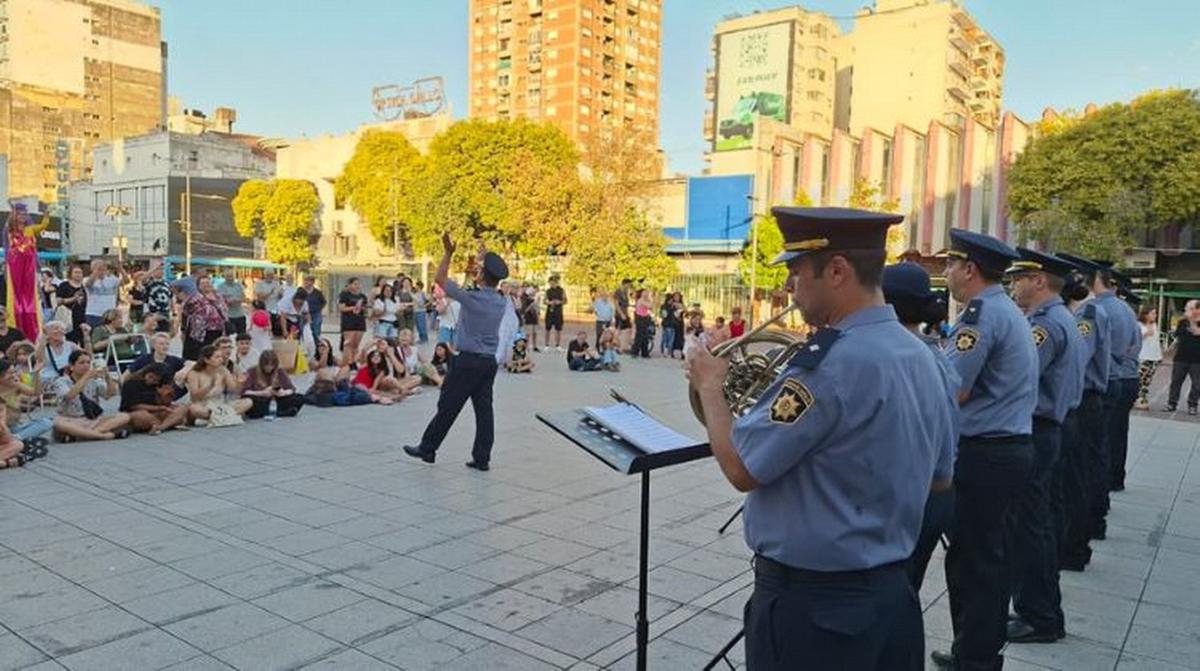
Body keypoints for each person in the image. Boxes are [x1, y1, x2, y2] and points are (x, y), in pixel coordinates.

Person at [688, 207, 955, 671]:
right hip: (892, 599)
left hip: (816, 611)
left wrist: (712, 385)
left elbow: (742, 468)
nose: (791, 287)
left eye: (796, 272)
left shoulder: (827, 365)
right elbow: (940, 480)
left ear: (836, 271)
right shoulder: (924, 356)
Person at [932, 229, 1037, 671]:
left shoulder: (980, 317)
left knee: (974, 561)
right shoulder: (1003, 310)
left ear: (970, 269)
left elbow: (951, 389)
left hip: (985, 453)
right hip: (1004, 449)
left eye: (951, 265)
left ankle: (974, 658)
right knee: (986, 556)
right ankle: (976, 652)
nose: (947, 273)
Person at [1004, 249, 1083, 645]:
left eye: (1020, 277)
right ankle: (1043, 610)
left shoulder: (1044, 327)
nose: (1014, 284)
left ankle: (1037, 615)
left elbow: (1015, 377)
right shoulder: (1056, 319)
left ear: (1038, 281)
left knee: (1030, 528)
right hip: (1050, 429)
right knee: (1040, 524)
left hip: (1038, 429)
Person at [881, 262, 958, 594]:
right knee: (905, 590)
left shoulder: (895, 359)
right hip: (935, 493)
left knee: (894, 592)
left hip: (910, 498)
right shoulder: (934, 354)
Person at [403, 234, 509, 472]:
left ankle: (427, 448)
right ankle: (482, 458)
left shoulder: (473, 299)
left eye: (479, 271)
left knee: (448, 405)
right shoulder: (501, 301)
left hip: (468, 362)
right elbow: (484, 282)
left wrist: (449, 253)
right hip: (487, 363)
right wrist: (482, 262)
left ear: (482, 276)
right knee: (484, 412)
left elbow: (440, 279)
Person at [1056, 259, 1110, 571]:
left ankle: (1075, 546)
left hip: (1086, 402)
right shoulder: (1080, 313)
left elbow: (1079, 355)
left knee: (1077, 478)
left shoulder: (1087, 314)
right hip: (1083, 401)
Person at [51, 350, 131, 442]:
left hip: (93, 420)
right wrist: (86, 377)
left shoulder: (94, 380)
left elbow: (110, 394)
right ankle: (101, 436)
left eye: (88, 362)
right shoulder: (62, 381)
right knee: (58, 423)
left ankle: (90, 434)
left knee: (124, 416)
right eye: (82, 363)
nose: (86, 365)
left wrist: (108, 376)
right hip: (72, 419)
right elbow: (70, 396)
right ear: (72, 366)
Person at [4, 203, 49, 339]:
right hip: (15, 264)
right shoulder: (10, 230)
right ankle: (16, 321)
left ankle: (32, 326)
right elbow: (9, 248)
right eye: (19, 214)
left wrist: (46, 213)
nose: (22, 217)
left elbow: (43, 225)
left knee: (29, 296)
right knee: (16, 296)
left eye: (24, 214)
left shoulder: (29, 229)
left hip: (28, 265)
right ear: (14, 215)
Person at [184, 345, 251, 425]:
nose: (221, 359)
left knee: (248, 402)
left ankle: (216, 417)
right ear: (206, 360)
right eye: (217, 357)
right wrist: (209, 386)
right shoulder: (194, 373)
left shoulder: (223, 370)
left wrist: (240, 383)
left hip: (220, 404)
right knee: (194, 409)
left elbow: (235, 390)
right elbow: (194, 397)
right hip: (202, 405)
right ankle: (224, 416)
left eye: (221, 357)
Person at [119, 363, 189, 434]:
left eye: (156, 380)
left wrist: (166, 395)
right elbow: (135, 406)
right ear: (146, 372)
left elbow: (166, 404)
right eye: (150, 377)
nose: (152, 381)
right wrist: (160, 408)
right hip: (137, 412)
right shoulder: (131, 383)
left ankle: (161, 427)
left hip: (156, 412)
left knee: (182, 408)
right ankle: (167, 423)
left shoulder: (157, 385)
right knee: (142, 415)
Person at [0, 358, 53, 450]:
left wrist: (36, 374)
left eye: (14, 372)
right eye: (10, 373)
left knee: (46, 422)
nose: (14, 376)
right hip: (1, 429)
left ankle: (16, 439)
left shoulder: (15, 385)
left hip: (14, 428)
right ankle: (18, 441)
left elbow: (36, 392)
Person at [242, 350, 304, 419]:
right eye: (266, 365)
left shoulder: (280, 371)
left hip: (277, 399)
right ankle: (281, 411)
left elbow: (291, 389)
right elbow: (245, 391)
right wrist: (263, 393)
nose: (269, 367)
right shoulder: (252, 371)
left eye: (272, 365)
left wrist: (283, 392)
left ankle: (279, 411)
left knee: (299, 397)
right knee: (253, 401)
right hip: (260, 398)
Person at [180, 275, 228, 361]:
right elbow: (185, 311)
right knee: (199, 355)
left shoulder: (218, 296)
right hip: (199, 332)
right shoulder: (194, 297)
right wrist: (183, 329)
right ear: (198, 286)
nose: (206, 285)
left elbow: (224, 311)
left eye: (207, 282)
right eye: (203, 283)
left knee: (214, 354)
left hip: (217, 330)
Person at [1164, 299, 1200, 414]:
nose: (1186, 310)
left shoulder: (1192, 321)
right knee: (1175, 382)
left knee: (1197, 384)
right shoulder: (1182, 322)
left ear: (1197, 310)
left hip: (1197, 360)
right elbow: (1179, 337)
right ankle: (1171, 403)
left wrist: (1191, 321)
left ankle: (1192, 405)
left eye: (1189, 308)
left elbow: (1196, 332)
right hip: (1181, 358)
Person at [35, 321, 86, 385]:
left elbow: (87, 356)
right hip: (48, 379)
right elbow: (39, 359)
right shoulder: (43, 347)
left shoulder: (70, 345)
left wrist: (86, 336)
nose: (60, 331)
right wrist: (43, 340)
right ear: (47, 333)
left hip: (68, 378)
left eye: (62, 329)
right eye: (56, 328)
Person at [1134, 305, 1162, 410]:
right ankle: (1138, 399)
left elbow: (1156, 341)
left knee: (1147, 380)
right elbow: (1142, 336)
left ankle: (1142, 399)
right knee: (1140, 378)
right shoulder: (1139, 325)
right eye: (1153, 313)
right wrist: (1148, 328)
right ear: (1146, 314)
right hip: (1143, 356)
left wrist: (1159, 355)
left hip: (1153, 356)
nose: (1155, 315)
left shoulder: (1155, 325)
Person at [83, 260, 122, 328]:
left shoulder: (112, 279)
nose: (102, 271)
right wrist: (96, 272)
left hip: (109, 315)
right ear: (92, 269)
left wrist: (121, 269)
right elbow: (88, 284)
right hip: (93, 314)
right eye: (99, 268)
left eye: (103, 268)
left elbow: (126, 281)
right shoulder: (86, 279)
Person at [338, 278, 368, 366]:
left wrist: (363, 309)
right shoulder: (345, 295)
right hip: (348, 321)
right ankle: (348, 362)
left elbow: (365, 308)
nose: (357, 286)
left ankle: (354, 361)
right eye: (355, 284)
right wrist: (354, 307)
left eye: (359, 284)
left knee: (356, 344)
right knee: (348, 343)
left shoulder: (362, 296)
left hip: (360, 321)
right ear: (350, 285)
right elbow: (342, 308)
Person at [56, 265, 88, 345]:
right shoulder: (64, 285)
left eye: (80, 272)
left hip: (81, 317)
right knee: (69, 340)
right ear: (70, 274)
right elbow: (58, 301)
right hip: (67, 317)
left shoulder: (84, 286)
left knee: (83, 340)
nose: (78, 274)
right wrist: (73, 299)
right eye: (76, 272)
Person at [143, 260, 173, 332]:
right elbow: (143, 279)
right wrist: (155, 267)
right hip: (152, 314)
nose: (161, 271)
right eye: (158, 270)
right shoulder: (150, 282)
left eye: (162, 269)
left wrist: (172, 311)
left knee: (164, 334)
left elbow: (170, 298)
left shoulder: (166, 283)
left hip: (165, 314)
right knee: (152, 335)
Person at [255, 270, 285, 337]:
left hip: (275, 310)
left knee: (275, 328)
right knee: (264, 330)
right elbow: (260, 297)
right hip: (264, 310)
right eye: (268, 275)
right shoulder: (259, 283)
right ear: (264, 275)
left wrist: (281, 294)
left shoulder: (276, 283)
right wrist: (270, 292)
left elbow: (280, 297)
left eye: (271, 275)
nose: (269, 276)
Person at [218, 270, 247, 335]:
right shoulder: (220, 287)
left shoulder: (238, 285)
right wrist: (228, 302)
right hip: (228, 315)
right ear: (225, 277)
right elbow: (219, 300)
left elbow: (244, 297)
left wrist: (240, 300)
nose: (230, 278)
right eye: (228, 276)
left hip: (240, 314)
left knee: (242, 335)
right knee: (231, 336)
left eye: (231, 276)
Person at [543, 274, 567, 350]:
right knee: (547, 329)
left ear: (556, 282)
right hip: (549, 311)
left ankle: (558, 345)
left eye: (554, 282)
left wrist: (559, 302)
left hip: (558, 312)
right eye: (550, 282)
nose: (552, 284)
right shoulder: (548, 291)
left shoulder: (561, 290)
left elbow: (565, 300)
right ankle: (546, 345)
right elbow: (544, 300)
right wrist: (548, 302)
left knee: (558, 329)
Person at [631, 289, 654, 358]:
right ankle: (635, 352)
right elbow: (649, 306)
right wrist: (650, 299)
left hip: (645, 318)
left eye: (647, 293)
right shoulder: (640, 300)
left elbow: (651, 307)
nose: (646, 294)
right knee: (639, 335)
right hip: (639, 318)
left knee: (645, 336)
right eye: (644, 293)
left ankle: (645, 352)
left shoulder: (646, 300)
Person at [613, 278, 633, 352]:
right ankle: (615, 344)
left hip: (625, 313)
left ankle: (624, 346)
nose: (629, 287)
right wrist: (621, 314)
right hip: (619, 314)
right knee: (618, 330)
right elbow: (616, 304)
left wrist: (627, 314)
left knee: (628, 329)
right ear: (624, 284)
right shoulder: (618, 292)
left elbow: (626, 305)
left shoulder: (625, 292)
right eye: (628, 285)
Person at [519, 285, 540, 351]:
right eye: (532, 292)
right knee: (528, 333)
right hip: (528, 317)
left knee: (535, 332)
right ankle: (526, 346)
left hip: (534, 317)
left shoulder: (534, 299)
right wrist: (531, 306)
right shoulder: (524, 299)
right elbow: (524, 310)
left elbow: (537, 309)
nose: (533, 293)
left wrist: (537, 310)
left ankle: (535, 346)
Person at [658, 293, 678, 358]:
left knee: (671, 340)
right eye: (670, 300)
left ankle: (668, 352)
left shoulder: (674, 306)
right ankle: (663, 351)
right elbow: (664, 315)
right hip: (667, 324)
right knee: (665, 339)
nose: (671, 301)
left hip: (673, 325)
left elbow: (676, 315)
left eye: (672, 300)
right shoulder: (664, 306)